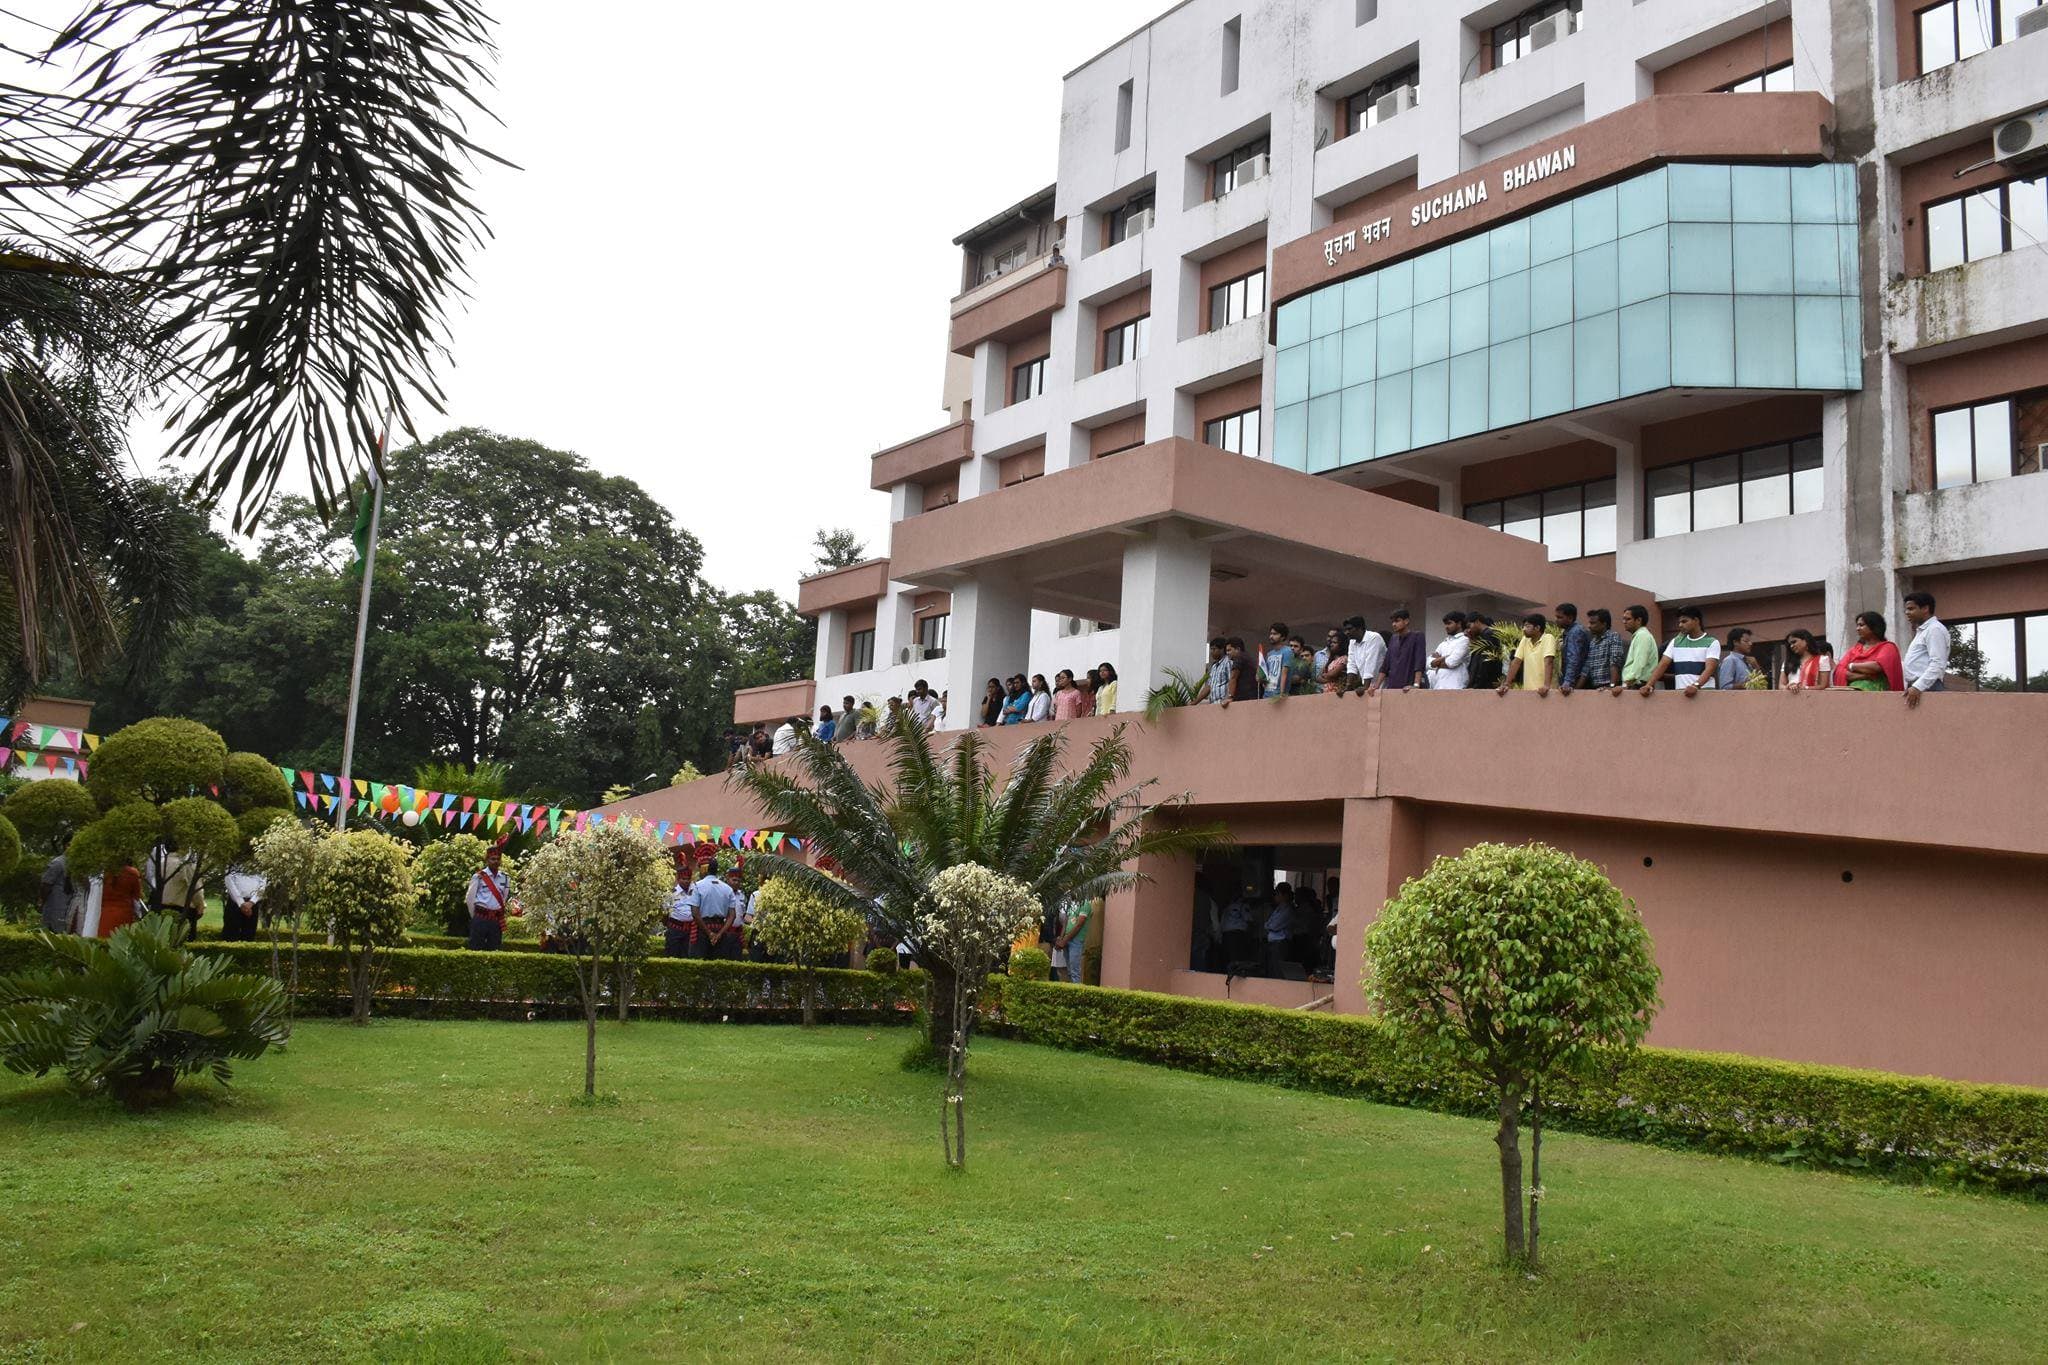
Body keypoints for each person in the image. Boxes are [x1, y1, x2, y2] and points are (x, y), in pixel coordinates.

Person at [1638, 605, 1721, 697]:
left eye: (1684, 621)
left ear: (1696, 620)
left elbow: (1710, 668)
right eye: (1679, 622)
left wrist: (1696, 686)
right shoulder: (1675, 642)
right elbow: (1663, 664)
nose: (1680, 625)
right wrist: (1649, 685)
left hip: (1704, 694)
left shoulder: (1712, 642)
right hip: (1682, 695)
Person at [684, 863, 744, 960]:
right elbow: (732, 916)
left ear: (707, 870)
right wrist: (719, 934)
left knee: (699, 962)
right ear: (717, 870)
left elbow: (695, 913)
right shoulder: (728, 889)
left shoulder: (697, 886)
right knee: (718, 963)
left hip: (702, 928)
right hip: (720, 928)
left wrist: (709, 933)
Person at [1902, 591, 1950, 707]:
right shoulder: (1923, 631)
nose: (1907, 612)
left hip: (1927, 687)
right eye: (1906, 609)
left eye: (1911, 609)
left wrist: (1918, 686)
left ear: (1925, 609)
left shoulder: (1934, 629)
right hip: (1919, 687)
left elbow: (1938, 663)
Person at [1836, 611, 1904, 692]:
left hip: (1878, 695)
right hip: (1852, 694)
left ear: (1874, 627)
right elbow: (1840, 671)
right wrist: (1864, 676)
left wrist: (1851, 666)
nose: (1857, 629)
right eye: (1857, 625)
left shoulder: (1888, 647)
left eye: (1861, 625)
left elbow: (1877, 667)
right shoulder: (1854, 650)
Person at [1496, 614, 1558, 696]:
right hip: (1529, 690)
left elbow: (1549, 661)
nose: (1524, 629)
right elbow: (1516, 662)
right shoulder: (1525, 640)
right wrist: (1507, 683)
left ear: (1537, 628)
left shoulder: (1548, 638)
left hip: (1546, 691)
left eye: (1527, 626)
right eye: (1524, 626)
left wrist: (1546, 686)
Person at [466, 844, 513, 951]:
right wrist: (475, 916)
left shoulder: (505, 878)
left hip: (496, 920)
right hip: (480, 918)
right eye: (493, 859)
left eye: (498, 859)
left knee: (495, 949)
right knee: (475, 949)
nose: (496, 861)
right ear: (487, 860)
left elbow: (504, 898)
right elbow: (470, 899)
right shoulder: (478, 876)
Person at [1377, 608, 1428, 692]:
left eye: (1397, 621)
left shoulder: (1417, 636)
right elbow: (1385, 665)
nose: (1394, 624)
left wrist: (1416, 685)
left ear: (1406, 621)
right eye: (1392, 622)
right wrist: (1376, 686)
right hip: (1392, 687)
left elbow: (1419, 662)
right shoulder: (1393, 639)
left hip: (1409, 687)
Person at [1615, 604, 1659, 694]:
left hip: (1638, 686)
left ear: (1639, 620)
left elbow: (1639, 663)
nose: (1624, 622)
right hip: (1635, 685)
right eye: (1623, 619)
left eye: (1628, 619)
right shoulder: (1640, 635)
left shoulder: (1642, 636)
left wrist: (1625, 685)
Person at [1580, 608, 1625, 690]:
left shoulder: (1613, 637)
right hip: (1596, 688)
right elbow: (1587, 668)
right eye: (1589, 623)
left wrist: (1612, 686)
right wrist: (1576, 689)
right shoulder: (1593, 642)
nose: (1589, 626)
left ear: (1604, 624)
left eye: (1593, 623)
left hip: (1608, 686)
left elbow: (1615, 663)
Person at [221, 862, 267, 942]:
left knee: (249, 935)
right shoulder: (232, 861)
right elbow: (229, 881)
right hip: (234, 903)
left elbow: (263, 884)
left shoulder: (260, 862)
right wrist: (241, 902)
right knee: (230, 935)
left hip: (253, 904)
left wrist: (252, 902)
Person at [1342, 615, 1385, 698]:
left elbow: (1370, 663)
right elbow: (1351, 664)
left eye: (1350, 629)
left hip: (1383, 684)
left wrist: (1365, 687)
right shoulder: (1352, 642)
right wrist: (1348, 686)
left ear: (1360, 628)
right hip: (1369, 684)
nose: (1347, 632)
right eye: (1346, 630)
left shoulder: (1374, 637)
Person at [97, 861, 142, 939]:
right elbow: (136, 898)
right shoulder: (132, 873)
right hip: (125, 914)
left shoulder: (101, 874)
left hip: (104, 914)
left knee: (104, 939)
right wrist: (139, 915)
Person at [1054, 896, 1093, 985]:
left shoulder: (1085, 904)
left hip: (1076, 940)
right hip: (1067, 939)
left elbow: (1079, 924)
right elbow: (1065, 923)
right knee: (1069, 971)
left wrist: (1064, 940)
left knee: (1075, 971)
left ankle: (1077, 992)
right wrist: (1061, 938)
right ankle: (1071, 990)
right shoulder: (1071, 905)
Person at [1553, 603, 1590, 696]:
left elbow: (1573, 658)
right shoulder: (1568, 632)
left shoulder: (1575, 632)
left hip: (1576, 682)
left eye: (1559, 617)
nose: (1556, 620)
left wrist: (1567, 682)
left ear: (1570, 618)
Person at [1427, 612, 1470, 690]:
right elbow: (1428, 663)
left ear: (1459, 624)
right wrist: (1444, 658)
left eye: (1449, 623)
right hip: (1438, 685)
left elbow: (1452, 662)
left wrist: (1436, 661)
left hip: (1455, 686)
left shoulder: (1465, 640)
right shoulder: (1445, 642)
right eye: (1445, 624)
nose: (1446, 627)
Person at [1220, 884, 1258, 969]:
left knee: (1230, 958)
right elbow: (1249, 921)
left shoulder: (1227, 908)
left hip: (1227, 935)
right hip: (1237, 936)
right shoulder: (1243, 906)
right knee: (1238, 959)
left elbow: (1222, 923)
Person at [1262, 884, 1296, 978]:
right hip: (1273, 943)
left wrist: (1269, 925)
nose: (1275, 897)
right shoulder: (1278, 909)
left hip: (1281, 943)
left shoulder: (1288, 910)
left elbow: (1274, 926)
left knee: (1277, 970)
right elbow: (1267, 923)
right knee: (1271, 969)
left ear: (1284, 895)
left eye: (1278, 894)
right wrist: (1268, 925)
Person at [1464, 614, 1504, 691]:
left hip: (1484, 684)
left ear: (1477, 621)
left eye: (1469, 626)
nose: (1469, 630)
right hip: (1481, 684)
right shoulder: (1482, 636)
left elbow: (1485, 663)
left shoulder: (1488, 635)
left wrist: (1477, 685)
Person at [39, 853, 74, 935]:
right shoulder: (58, 863)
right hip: (55, 906)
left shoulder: (74, 863)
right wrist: (42, 902)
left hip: (68, 906)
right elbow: (46, 884)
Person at [1193, 636, 1232, 705]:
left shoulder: (1228, 663)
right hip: (1214, 704)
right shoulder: (1214, 667)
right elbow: (1208, 687)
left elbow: (1232, 681)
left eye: (1214, 649)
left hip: (1224, 704)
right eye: (1211, 649)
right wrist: (1194, 702)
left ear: (1222, 650)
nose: (1211, 652)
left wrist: (1228, 698)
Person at [1259, 622, 1293, 699]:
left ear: (1283, 637)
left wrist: (1281, 693)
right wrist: (1260, 678)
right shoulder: (1269, 654)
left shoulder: (1287, 651)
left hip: (1279, 695)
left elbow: (1284, 673)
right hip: (1267, 695)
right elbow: (1266, 675)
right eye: (1271, 634)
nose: (1271, 636)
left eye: (1275, 634)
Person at [1225, 637, 1260, 703]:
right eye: (1226, 651)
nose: (1227, 653)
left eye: (1229, 650)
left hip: (1244, 698)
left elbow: (1233, 677)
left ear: (1238, 649)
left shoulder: (1239, 657)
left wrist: (1230, 697)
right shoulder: (1248, 657)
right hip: (1252, 697)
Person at [1315, 627, 1348, 693]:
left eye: (1334, 643)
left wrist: (1327, 676)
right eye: (1331, 642)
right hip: (1326, 691)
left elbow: (1331, 674)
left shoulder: (1344, 658)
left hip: (1337, 692)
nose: (1331, 644)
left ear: (1341, 644)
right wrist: (1331, 678)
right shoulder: (1331, 660)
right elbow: (1318, 678)